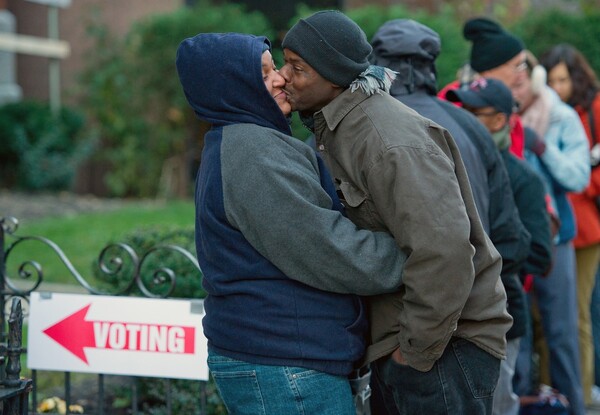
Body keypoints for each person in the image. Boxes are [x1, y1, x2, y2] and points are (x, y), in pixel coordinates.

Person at [280, 10, 512, 414]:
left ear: (333, 74)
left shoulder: (387, 140)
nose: (284, 76)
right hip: (412, 346)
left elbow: (445, 251)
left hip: (442, 351)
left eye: (297, 67)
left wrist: (414, 352)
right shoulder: (342, 127)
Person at [176, 32, 410, 414]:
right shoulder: (253, 152)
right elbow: (325, 249)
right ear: (232, 86)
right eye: (264, 73)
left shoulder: (242, 141)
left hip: (282, 359)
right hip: (285, 364)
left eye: (276, 68)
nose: (281, 78)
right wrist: (413, 254)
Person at [369, 21, 532, 414]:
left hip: (392, 335)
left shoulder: (355, 127)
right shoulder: (473, 128)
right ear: (431, 63)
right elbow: (512, 240)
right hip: (468, 333)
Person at [447, 77, 553, 415]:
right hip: (455, 317)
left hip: (502, 317)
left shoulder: (523, 178)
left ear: (499, 120)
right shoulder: (452, 164)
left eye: (475, 112)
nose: (463, 118)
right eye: (462, 110)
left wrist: (479, 256)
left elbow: (538, 253)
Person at [511, 49, 590, 415]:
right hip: (515, 242)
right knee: (519, 333)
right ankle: (524, 405)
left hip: (556, 240)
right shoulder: (498, 115)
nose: (516, 88)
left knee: (562, 333)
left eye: (521, 80)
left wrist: (542, 148)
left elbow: (578, 176)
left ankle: (574, 405)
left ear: (534, 79)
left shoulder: (561, 116)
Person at [540, 43, 600, 409]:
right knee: (548, 315)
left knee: (575, 316)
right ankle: (549, 393)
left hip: (586, 228)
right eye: (551, 80)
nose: (557, 87)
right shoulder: (541, 110)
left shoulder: (592, 109)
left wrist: (581, 183)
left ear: (576, 78)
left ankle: (579, 392)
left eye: (562, 80)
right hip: (552, 227)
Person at [439, 16, 527, 159]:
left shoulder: (510, 109)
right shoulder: (450, 100)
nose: (522, 75)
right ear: (489, 69)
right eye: (517, 66)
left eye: (524, 66)